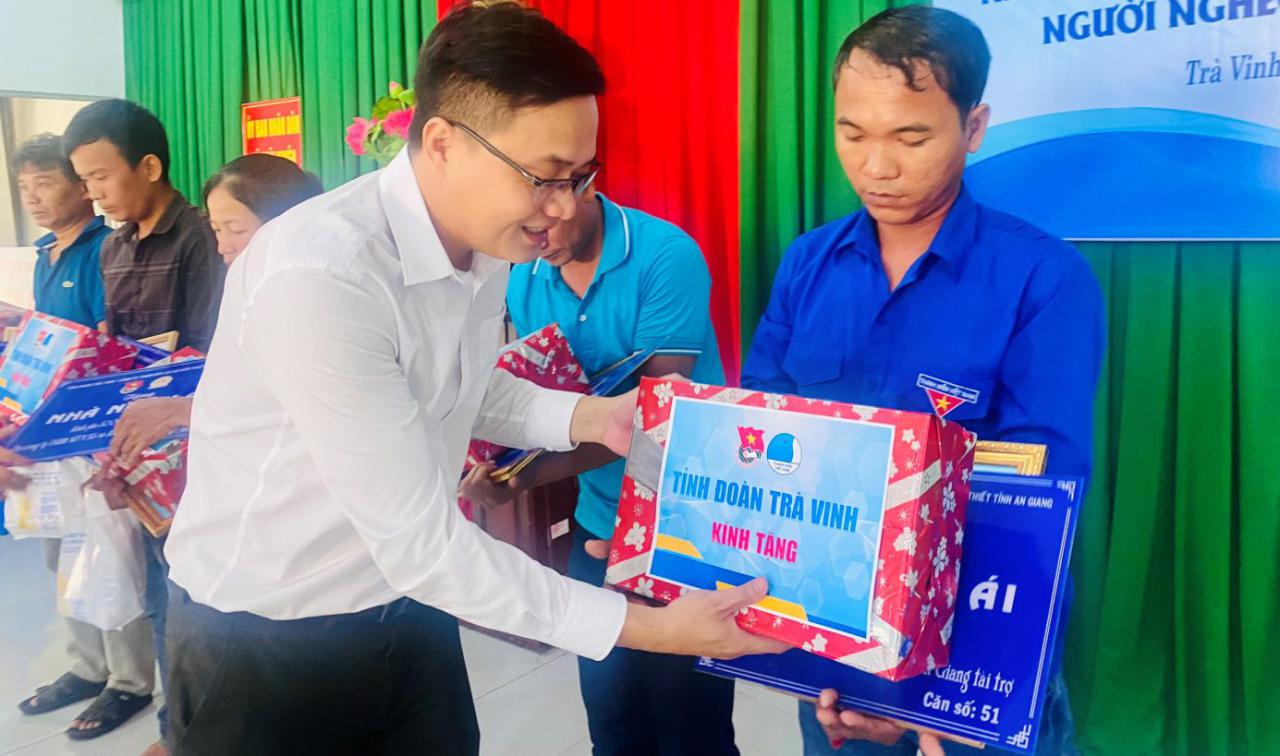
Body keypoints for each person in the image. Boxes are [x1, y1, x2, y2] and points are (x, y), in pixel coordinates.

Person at [161, 5, 782, 754]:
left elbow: (459, 384)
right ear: (443, 143)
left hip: (409, 608)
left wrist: (594, 419)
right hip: (267, 636)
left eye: (579, 178)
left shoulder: (486, 244)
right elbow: (424, 544)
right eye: (543, 178)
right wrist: (652, 629)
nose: (562, 207)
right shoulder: (324, 275)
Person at [738, 7, 1104, 755]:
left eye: (910, 139)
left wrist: (926, 699)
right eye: (852, 134)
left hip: (976, 653)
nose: (876, 167)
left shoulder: (1044, 279)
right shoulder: (807, 265)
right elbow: (759, 437)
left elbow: (1034, 500)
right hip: (833, 638)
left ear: (974, 128)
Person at [462, 184, 734, 754]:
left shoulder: (664, 255)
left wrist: (529, 477)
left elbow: (652, 416)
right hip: (601, 521)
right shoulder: (527, 276)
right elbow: (547, 396)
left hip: (687, 525)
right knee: (612, 721)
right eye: (524, 233)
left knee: (691, 728)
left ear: (577, 187)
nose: (538, 244)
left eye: (544, 226)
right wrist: (501, 465)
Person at [92, 152, 323, 756]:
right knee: (179, 603)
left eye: (233, 228)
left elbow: (297, 408)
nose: (221, 246)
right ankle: (180, 729)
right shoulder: (248, 291)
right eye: (217, 228)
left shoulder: (314, 300)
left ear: (287, 221)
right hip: (217, 505)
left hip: (284, 529)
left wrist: (184, 411)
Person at [8, 133, 156, 742]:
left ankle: (130, 680)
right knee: (61, 549)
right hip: (48, 431)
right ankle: (86, 666)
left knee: (110, 554)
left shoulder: (102, 250)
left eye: (45, 184)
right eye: (24, 188)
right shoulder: (47, 253)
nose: (33, 198)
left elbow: (106, 343)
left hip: (93, 430)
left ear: (79, 187)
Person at [64, 99, 225, 353]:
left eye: (101, 177)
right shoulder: (112, 247)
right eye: (85, 180)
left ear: (150, 168)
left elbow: (209, 344)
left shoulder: (200, 236)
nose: (94, 193)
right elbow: (118, 345)